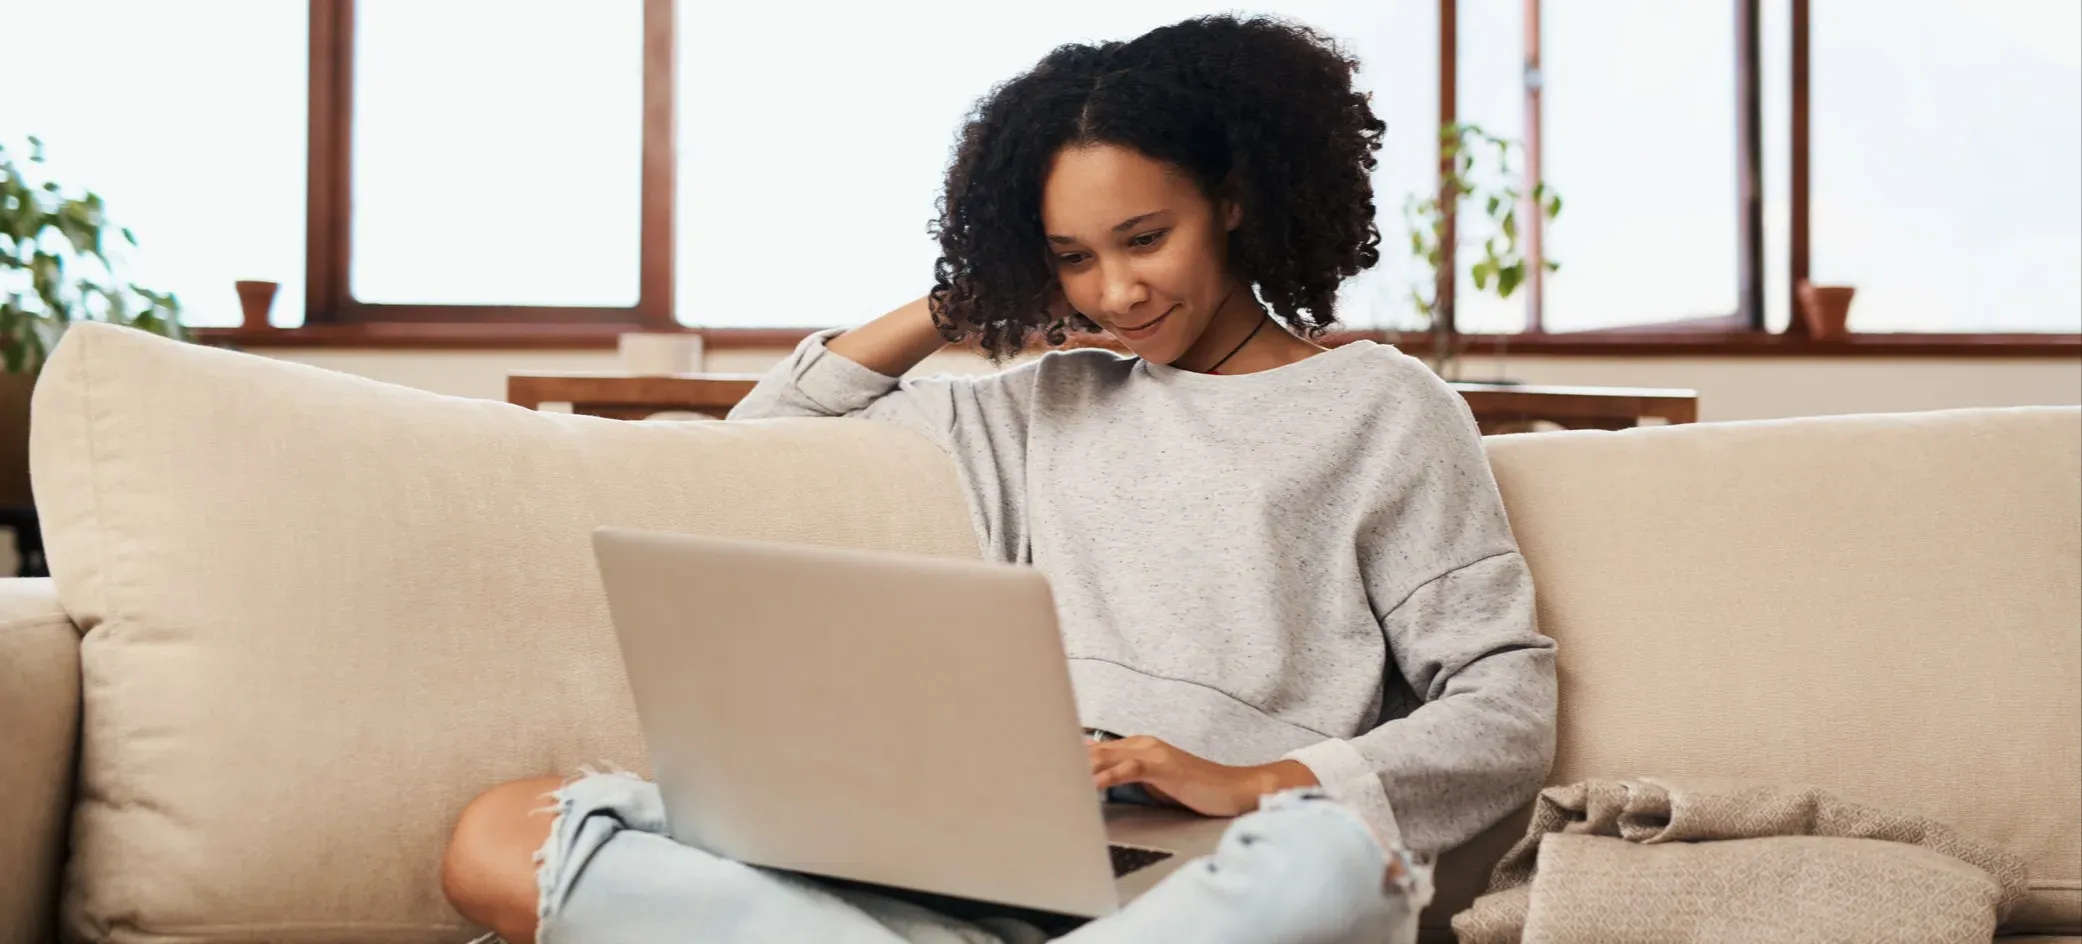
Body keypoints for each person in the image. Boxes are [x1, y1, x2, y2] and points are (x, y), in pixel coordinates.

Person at [441, 15, 1556, 944]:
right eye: (1071, 256)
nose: (1115, 291)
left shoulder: (1386, 407)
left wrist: (1252, 777)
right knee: (507, 829)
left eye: (1144, 237)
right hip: (983, 851)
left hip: (1215, 871)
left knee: (1339, 863)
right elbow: (766, 431)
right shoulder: (1045, 402)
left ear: (1232, 197)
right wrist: (959, 297)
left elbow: (1505, 708)